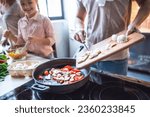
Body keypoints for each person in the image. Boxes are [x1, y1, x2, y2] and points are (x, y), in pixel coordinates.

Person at [74, 0, 150, 83]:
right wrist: (79, 28)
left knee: (114, 93)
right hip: (89, 53)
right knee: (89, 91)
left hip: (116, 58)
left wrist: (135, 24)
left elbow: (146, 3)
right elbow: (78, 17)